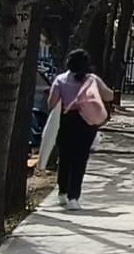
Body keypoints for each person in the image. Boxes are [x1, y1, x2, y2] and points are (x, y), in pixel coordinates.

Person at [48, 50, 113, 211]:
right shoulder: (93, 80)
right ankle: (73, 197)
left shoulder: (60, 79)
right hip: (87, 122)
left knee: (65, 157)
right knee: (80, 159)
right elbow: (108, 96)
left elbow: (51, 103)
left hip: (67, 120)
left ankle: (62, 192)